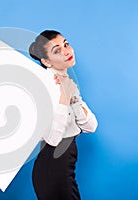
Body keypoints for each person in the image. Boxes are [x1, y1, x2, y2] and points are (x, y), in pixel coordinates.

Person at [29, 30, 98, 200]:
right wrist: (63, 98)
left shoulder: (67, 83)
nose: (66, 51)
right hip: (51, 167)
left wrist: (73, 99)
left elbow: (91, 127)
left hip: (66, 164)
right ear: (46, 61)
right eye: (57, 50)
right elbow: (52, 139)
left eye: (66, 44)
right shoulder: (45, 87)